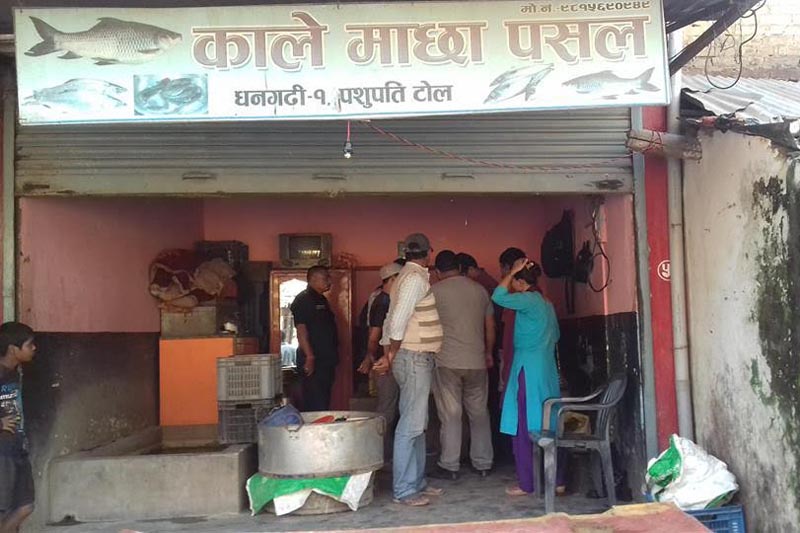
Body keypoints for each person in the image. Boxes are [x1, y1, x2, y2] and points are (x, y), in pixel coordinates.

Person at [373, 233, 444, 507]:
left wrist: (390, 353)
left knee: (417, 423)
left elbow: (391, 318)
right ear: (429, 252)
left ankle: (417, 482)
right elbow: (399, 321)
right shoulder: (414, 278)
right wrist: (392, 353)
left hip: (413, 357)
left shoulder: (405, 276)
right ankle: (404, 490)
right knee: (411, 425)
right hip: (413, 357)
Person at [492, 258, 564, 496]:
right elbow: (556, 336)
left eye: (514, 281)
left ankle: (527, 482)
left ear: (520, 282)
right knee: (548, 423)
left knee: (524, 426)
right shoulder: (547, 304)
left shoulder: (528, 299)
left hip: (527, 370)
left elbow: (498, 296)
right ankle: (558, 480)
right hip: (547, 370)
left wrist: (511, 272)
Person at [430, 250, 495, 481]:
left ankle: (450, 465)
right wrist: (488, 353)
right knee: (479, 413)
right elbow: (490, 326)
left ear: (437, 271)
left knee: (451, 414)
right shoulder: (480, 291)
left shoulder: (434, 292)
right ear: (459, 267)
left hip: (447, 361)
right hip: (477, 360)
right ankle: (483, 463)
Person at [357, 260, 404, 461]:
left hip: (388, 359)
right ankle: (378, 455)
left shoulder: (381, 298)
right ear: (392, 279)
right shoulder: (384, 301)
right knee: (387, 410)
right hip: (385, 363)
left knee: (391, 408)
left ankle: (387, 454)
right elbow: (374, 335)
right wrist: (371, 356)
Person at [0, 322, 36, 533]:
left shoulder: (15, 372)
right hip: (2, 452)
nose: (34, 348)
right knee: (5, 508)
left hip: (16, 447)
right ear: (13, 349)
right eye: (29, 345)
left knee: (25, 506)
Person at [290, 265, 338, 411]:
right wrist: (309, 357)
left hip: (326, 359)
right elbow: (301, 331)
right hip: (314, 359)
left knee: (324, 398)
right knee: (315, 401)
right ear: (313, 279)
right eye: (325, 278)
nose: (329, 281)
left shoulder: (322, 299)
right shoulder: (303, 300)